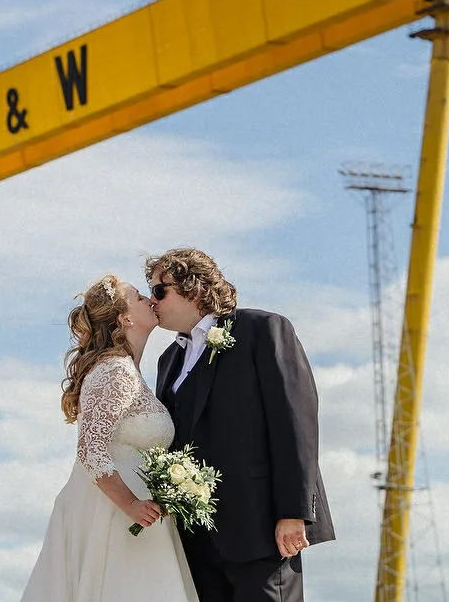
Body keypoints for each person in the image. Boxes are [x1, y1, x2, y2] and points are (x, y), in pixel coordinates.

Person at [147, 248, 334, 602]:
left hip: (260, 526)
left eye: (160, 290)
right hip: (196, 537)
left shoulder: (261, 329)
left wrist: (293, 512)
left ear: (195, 288)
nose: (152, 300)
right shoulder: (167, 360)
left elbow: (295, 421)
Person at [21, 274, 199, 602]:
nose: (150, 299)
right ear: (124, 317)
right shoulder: (114, 370)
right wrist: (130, 503)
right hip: (115, 516)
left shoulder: (129, 371)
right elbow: (91, 449)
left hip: (137, 515)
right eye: (138, 296)